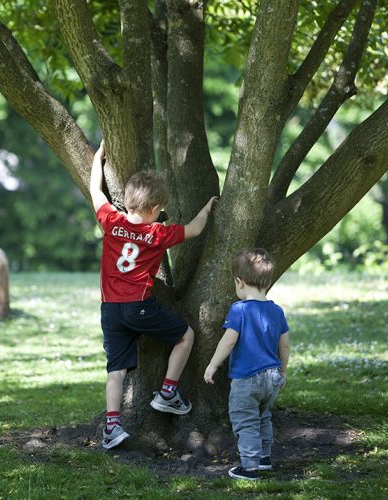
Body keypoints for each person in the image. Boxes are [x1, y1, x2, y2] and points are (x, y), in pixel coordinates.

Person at [90, 141, 217, 450]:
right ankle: (168, 393)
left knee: (115, 369)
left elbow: (96, 190)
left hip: (110, 310)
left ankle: (112, 427)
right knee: (185, 336)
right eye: (159, 209)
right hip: (138, 307)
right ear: (153, 210)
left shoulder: (111, 222)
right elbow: (195, 229)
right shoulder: (156, 234)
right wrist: (209, 206)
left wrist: (98, 157)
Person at [204, 248, 290, 480]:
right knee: (263, 416)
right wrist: (282, 371)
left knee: (246, 422)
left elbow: (228, 341)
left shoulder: (239, 310)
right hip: (272, 376)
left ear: (239, 282)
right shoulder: (276, 311)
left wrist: (213, 365)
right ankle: (264, 458)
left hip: (247, 379)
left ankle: (249, 467)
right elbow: (284, 346)